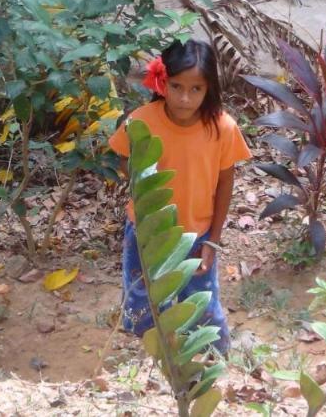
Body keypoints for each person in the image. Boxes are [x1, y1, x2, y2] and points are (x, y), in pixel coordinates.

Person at [108, 39, 251, 354]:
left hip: (196, 234)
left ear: (209, 88)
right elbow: (123, 158)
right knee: (142, 300)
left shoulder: (222, 128)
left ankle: (212, 361)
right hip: (146, 233)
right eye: (176, 86)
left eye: (196, 89)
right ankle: (147, 361)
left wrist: (212, 240)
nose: (185, 98)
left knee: (202, 302)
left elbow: (226, 182)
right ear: (162, 82)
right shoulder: (142, 121)